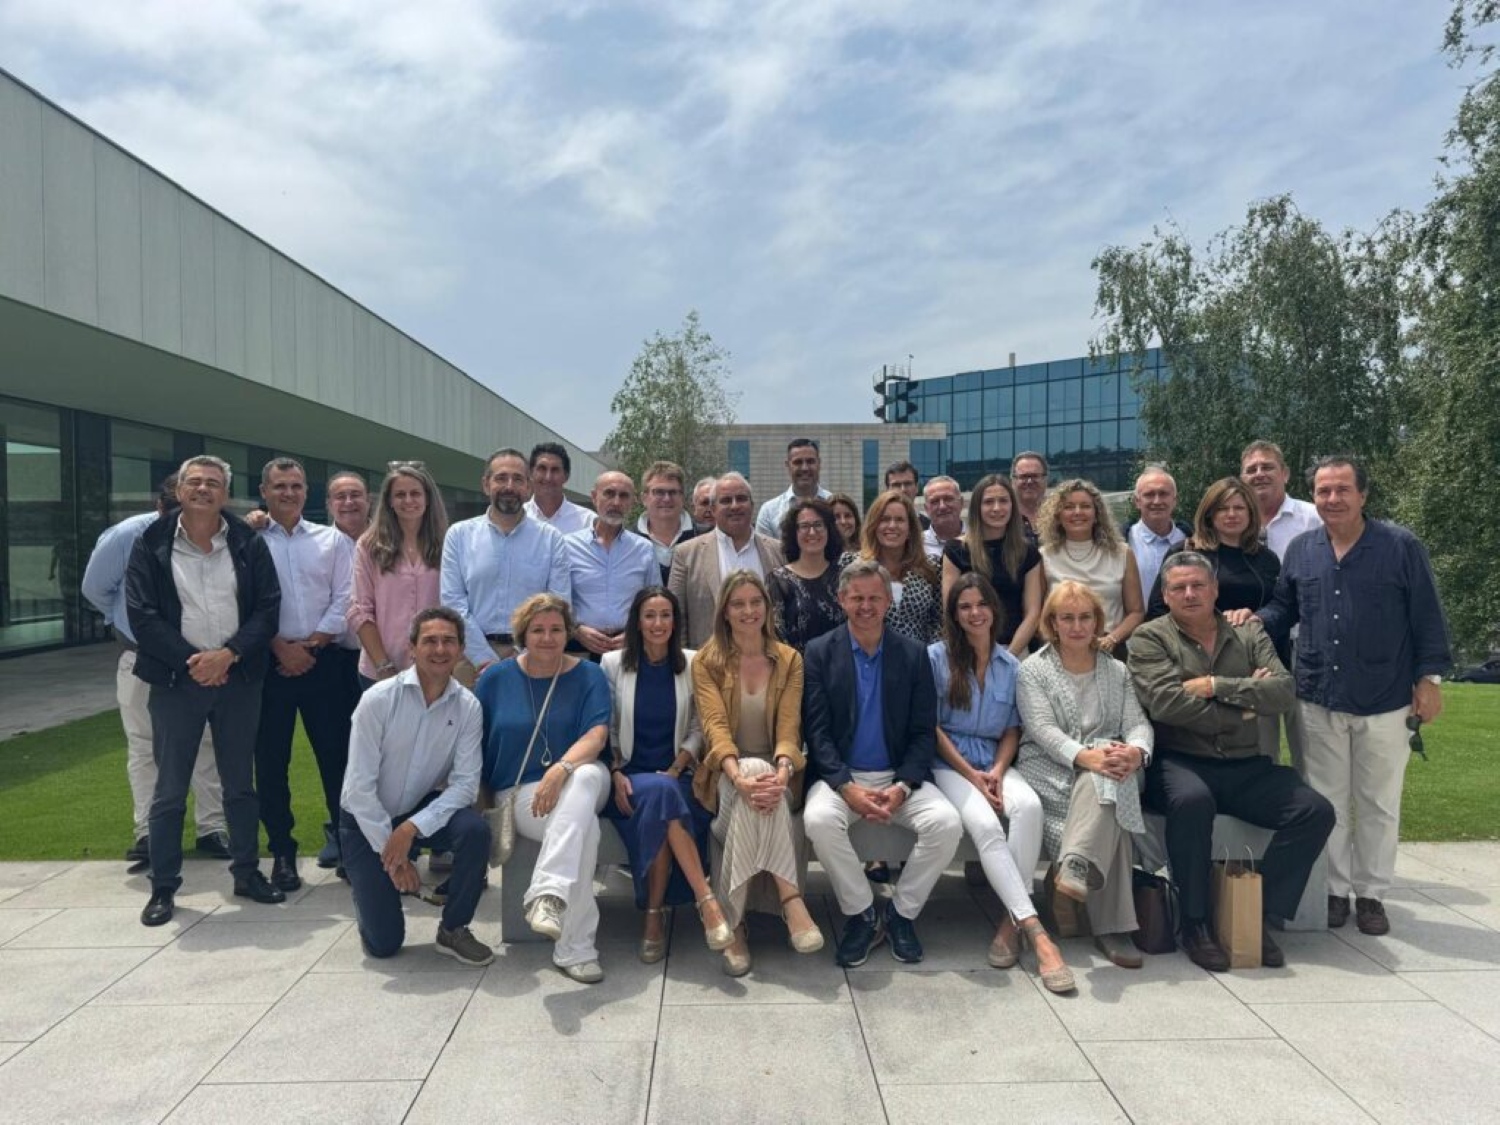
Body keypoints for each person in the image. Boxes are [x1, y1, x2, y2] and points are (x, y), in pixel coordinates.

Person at [1256, 456, 1451, 937]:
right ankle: (1335, 891)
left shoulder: (1400, 546)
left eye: (1342, 490)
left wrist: (1430, 679)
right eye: (1323, 491)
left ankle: (1371, 894)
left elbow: (1427, 615)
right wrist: (1252, 620)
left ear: (1363, 495)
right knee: (1327, 801)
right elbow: (1284, 606)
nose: (1332, 499)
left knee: (1379, 802)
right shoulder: (1302, 550)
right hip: (1319, 693)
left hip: (1384, 696)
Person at [1130, 553, 1334, 971]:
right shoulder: (1148, 638)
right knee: (1192, 803)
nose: (1190, 594)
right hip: (1180, 761)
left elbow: (1281, 691)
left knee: (1315, 812)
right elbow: (1166, 703)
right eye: (1179, 588)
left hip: (1244, 764)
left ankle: (1258, 915)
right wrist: (1244, 707)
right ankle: (1195, 923)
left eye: (1198, 585)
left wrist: (1214, 685)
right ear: (1165, 595)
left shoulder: (1247, 631)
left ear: (1215, 589)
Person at [126, 455, 286, 926]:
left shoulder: (247, 540)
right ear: (179, 490)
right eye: (194, 482)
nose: (202, 490)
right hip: (178, 681)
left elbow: (267, 608)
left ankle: (246, 872)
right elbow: (142, 615)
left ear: (226, 493)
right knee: (170, 789)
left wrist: (229, 654)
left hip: (237, 680)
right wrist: (193, 660)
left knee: (239, 785)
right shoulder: (150, 542)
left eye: (213, 483)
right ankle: (164, 887)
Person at [803, 559, 962, 967]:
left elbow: (923, 732)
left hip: (899, 779)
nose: (866, 606)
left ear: (889, 601)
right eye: (857, 598)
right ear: (841, 600)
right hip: (843, 778)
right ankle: (863, 913)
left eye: (875, 597)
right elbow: (817, 734)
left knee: (946, 824)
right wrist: (846, 787)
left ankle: (901, 913)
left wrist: (903, 786)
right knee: (819, 820)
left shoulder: (912, 655)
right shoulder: (820, 653)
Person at [929, 574, 1072, 991]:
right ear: (955, 616)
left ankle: (1009, 923)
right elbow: (931, 728)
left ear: (994, 609)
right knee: (988, 825)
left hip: (994, 761)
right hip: (948, 766)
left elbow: (1012, 728)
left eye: (981, 605)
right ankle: (1036, 932)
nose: (974, 613)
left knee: (1028, 808)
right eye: (964, 607)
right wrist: (971, 775)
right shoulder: (936, 658)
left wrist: (995, 770)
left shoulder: (1013, 666)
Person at [82, 472, 227, 871]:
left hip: (199, 661)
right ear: (166, 503)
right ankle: (148, 832)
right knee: (145, 745)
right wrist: (127, 621)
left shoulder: (215, 533)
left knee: (206, 741)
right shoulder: (129, 535)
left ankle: (212, 828)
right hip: (142, 658)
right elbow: (95, 588)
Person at [339, 607, 493, 965]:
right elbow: (359, 789)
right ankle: (369, 889)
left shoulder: (469, 706)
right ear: (411, 648)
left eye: (448, 641)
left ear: (460, 649)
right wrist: (393, 859)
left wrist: (410, 829)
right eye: (430, 641)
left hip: (416, 811)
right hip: (364, 820)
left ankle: (453, 928)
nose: (440, 649)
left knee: (475, 831)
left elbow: (466, 786)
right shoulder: (377, 699)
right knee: (385, 944)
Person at [1013, 581, 1153, 969]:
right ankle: (1113, 926)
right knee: (1111, 789)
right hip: (1049, 767)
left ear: (1097, 622)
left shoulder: (1116, 670)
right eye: (1067, 618)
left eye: (1085, 617)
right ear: (1052, 623)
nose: (1077, 626)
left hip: (1109, 766)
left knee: (1109, 778)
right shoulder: (1033, 670)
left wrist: (1137, 752)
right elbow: (1042, 730)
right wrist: (1086, 757)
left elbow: (1137, 723)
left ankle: (1072, 870)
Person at [475, 594, 612, 982]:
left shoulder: (589, 675)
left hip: (583, 776)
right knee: (584, 831)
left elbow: (597, 735)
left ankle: (547, 891)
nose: (548, 638)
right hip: (520, 794)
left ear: (567, 633)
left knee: (584, 780)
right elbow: (474, 742)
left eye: (556, 629)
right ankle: (575, 948)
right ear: (523, 635)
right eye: (538, 630)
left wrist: (562, 769)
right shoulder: (496, 679)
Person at [691, 571, 823, 975]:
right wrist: (740, 778)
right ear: (725, 612)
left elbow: (789, 727)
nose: (748, 611)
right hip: (726, 777)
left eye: (755, 602)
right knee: (751, 767)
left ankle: (734, 925)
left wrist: (782, 771)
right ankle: (791, 901)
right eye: (738, 604)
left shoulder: (789, 659)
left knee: (761, 771)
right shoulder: (707, 661)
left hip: (776, 779)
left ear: (767, 608)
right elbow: (714, 729)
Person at [601, 588, 733, 962]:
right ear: (637, 622)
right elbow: (606, 725)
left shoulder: (692, 663)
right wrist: (613, 771)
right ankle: (705, 901)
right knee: (660, 794)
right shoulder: (612, 663)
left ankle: (654, 916)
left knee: (663, 797)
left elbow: (698, 725)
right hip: (628, 778)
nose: (658, 624)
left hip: (679, 777)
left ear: (675, 621)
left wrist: (676, 768)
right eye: (650, 616)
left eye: (665, 615)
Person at [254, 457, 355, 892]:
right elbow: (247, 602)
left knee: (338, 761)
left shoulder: (332, 541)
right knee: (271, 763)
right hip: (269, 663)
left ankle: (351, 851)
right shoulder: (249, 539)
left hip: (323, 660)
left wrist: (313, 643)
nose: (289, 493)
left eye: (296, 486)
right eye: (280, 486)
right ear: (264, 491)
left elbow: (346, 595)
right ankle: (282, 853)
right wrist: (279, 645)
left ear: (306, 491)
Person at [441, 448, 571, 682]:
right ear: (485, 484)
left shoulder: (551, 539)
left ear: (528, 487)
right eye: (501, 478)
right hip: (470, 660)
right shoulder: (459, 535)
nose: (509, 486)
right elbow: (453, 603)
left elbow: (558, 604)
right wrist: (483, 659)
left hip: (535, 657)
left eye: (518, 479)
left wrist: (523, 656)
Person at [349, 463, 449, 686]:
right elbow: (359, 610)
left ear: (428, 498)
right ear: (389, 502)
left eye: (415, 493)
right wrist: (383, 665)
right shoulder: (369, 546)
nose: (408, 500)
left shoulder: (449, 544)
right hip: (382, 670)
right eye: (400, 495)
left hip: (436, 666)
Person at [668, 472, 785, 648]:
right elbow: (677, 617)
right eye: (726, 500)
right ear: (713, 509)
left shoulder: (779, 551)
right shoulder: (686, 554)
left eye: (741, 498)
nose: (735, 505)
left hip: (767, 663)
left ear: (752, 505)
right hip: (708, 665)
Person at [1146, 478, 1281, 623]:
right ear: (1209, 514)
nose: (1231, 514)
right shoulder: (1184, 553)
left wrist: (1257, 619)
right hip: (1195, 643)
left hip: (1255, 642)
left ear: (1250, 513)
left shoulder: (1267, 559)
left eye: (1239, 508)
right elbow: (1158, 608)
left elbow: (1280, 608)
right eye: (1223, 508)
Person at [1037, 478, 1145, 658]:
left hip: (1111, 650)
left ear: (1097, 514)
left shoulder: (1122, 553)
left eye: (1085, 506)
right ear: (1058, 515)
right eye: (1069, 507)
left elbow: (1136, 611)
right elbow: (1038, 614)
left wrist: (1112, 639)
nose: (1077, 512)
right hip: (1061, 651)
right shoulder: (1044, 556)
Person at [940, 473, 1043, 654]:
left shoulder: (1028, 553)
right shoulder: (956, 550)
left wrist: (1007, 658)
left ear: (1013, 506)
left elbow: (1033, 614)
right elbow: (950, 608)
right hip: (968, 652)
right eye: (988, 502)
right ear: (977, 508)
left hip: (1016, 652)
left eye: (1003, 501)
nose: (997, 508)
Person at [564, 470, 657, 659]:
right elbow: (556, 598)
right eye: (609, 493)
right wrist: (575, 630)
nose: (616, 502)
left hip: (628, 649)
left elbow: (654, 602)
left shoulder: (644, 549)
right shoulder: (567, 546)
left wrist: (635, 633)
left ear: (633, 502)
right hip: (579, 649)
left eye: (623, 496)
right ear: (594, 496)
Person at [841, 491, 941, 646]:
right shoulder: (852, 564)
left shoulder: (931, 566)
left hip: (921, 661)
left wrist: (932, 656)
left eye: (900, 520)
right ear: (874, 525)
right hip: (869, 659)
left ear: (910, 529)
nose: (892, 526)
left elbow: (939, 621)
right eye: (885, 519)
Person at [766, 498, 846, 652]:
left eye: (818, 525)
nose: (812, 532)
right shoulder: (778, 581)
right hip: (796, 670)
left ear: (829, 529)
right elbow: (776, 636)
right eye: (804, 526)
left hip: (840, 669)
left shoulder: (845, 576)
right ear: (794, 533)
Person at [1240, 440, 1320, 560]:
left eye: (1267, 467)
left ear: (1285, 474)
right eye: (1251, 470)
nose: (1259, 474)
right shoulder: (1232, 522)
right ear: (1242, 480)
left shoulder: (1314, 518)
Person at [1124, 467, 1189, 604]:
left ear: (1175, 500)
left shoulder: (1191, 541)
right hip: (1135, 624)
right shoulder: (1123, 541)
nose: (1157, 501)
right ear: (1137, 501)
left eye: (1163, 494)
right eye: (1149, 494)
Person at [634, 460, 700, 583]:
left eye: (673, 492)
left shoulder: (703, 537)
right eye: (659, 492)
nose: (666, 498)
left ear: (682, 497)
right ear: (644, 498)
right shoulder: (628, 543)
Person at [755, 437, 831, 538]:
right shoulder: (769, 512)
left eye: (810, 461)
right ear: (788, 465)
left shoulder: (833, 504)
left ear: (819, 464)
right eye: (798, 462)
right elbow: (764, 552)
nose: (805, 468)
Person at [523, 441, 593, 534]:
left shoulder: (587, 522)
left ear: (566, 476)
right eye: (542, 468)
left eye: (555, 470)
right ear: (531, 473)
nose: (548, 477)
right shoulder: (517, 518)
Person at [1010, 451, 1050, 545]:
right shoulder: (1003, 519)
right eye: (1023, 476)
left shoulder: (1059, 517)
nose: (1029, 481)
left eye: (1034, 476)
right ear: (1013, 481)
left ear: (1045, 480)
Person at [920, 476, 964, 555]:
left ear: (961, 503)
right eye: (935, 501)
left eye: (948, 499)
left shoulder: (980, 538)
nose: (942, 506)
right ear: (926, 508)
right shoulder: (915, 545)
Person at [884, 461, 928, 529]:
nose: (903, 490)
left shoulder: (930, 526)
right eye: (896, 485)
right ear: (887, 490)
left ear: (916, 488)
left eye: (908, 484)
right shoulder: (876, 525)